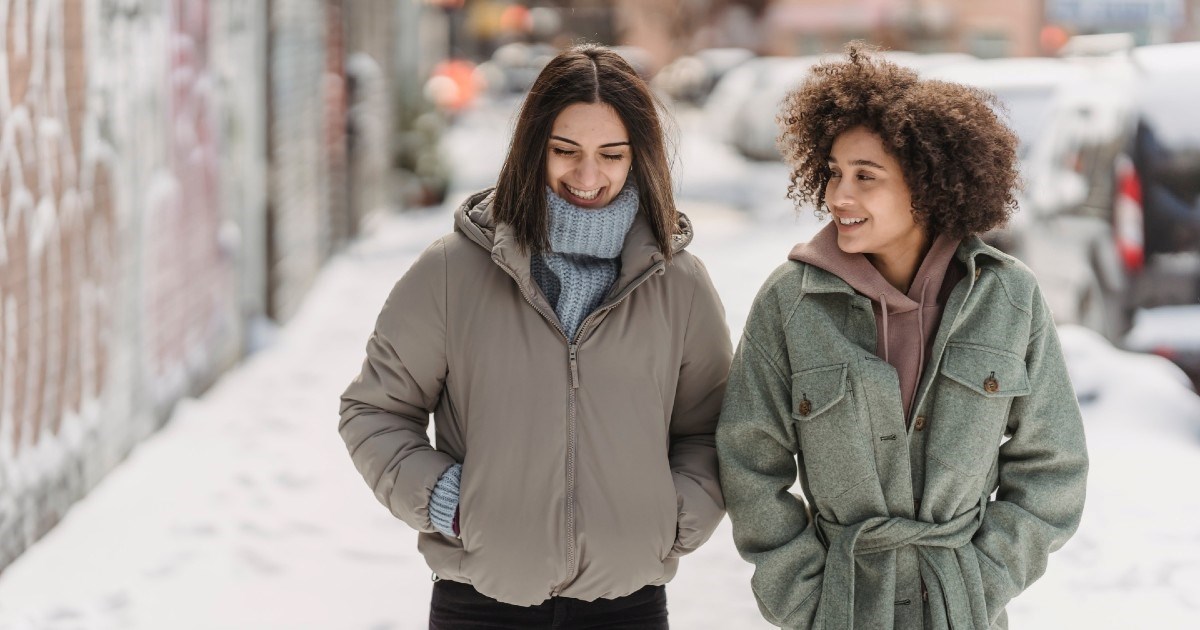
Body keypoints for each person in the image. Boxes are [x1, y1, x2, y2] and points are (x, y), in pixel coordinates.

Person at [339, 44, 731, 630]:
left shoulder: (678, 283)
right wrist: (449, 504)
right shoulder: (455, 271)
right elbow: (373, 411)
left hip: (627, 608)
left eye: (612, 154)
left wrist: (674, 518)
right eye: (565, 151)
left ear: (638, 158)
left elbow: (713, 427)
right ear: (532, 149)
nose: (588, 175)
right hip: (479, 607)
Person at [716, 44, 1088, 630]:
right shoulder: (790, 303)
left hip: (962, 610)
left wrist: (983, 577)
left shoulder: (1009, 298)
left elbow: (1053, 466)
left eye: (867, 176)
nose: (840, 196)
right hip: (840, 608)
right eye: (835, 172)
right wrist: (803, 595)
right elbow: (747, 460)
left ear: (928, 183)